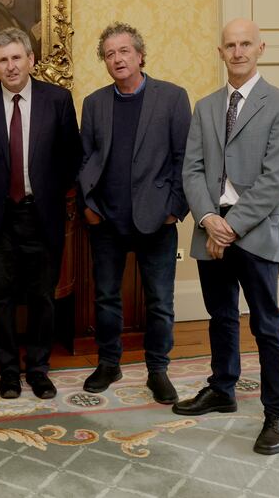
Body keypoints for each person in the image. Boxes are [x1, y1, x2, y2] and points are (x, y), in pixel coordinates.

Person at [176, 17, 279, 455]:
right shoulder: (206, 106)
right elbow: (191, 170)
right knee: (221, 315)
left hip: (255, 228)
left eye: (246, 44)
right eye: (230, 45)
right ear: (220, 52)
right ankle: (222, 388)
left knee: (267, 323)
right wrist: (209, 218)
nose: (238, 52)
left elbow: (277, 176)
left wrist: (229, 227)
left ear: (260, 48)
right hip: (211, 226)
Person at [0, 28, 82, 399]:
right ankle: (9, 371)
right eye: (2, 60)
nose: (10, 66)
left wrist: (48, 191)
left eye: (16, 57)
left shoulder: (57, 100)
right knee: (0, 300)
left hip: (42, 216)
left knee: (42, 297)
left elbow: (71, 156)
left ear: (30, 60)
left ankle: (39, 369)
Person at [77, 23, 191, 403]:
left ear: (140, 55)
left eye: (124, 51)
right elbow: (85, 159)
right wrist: (89, 207)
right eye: (109, 54)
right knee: (106, 298)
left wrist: (174, 210)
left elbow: (184, 159)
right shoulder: (94, 104)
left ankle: (157, 370)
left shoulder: (172, 98)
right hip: (106, 221)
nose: (117, 59)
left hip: (156, 221)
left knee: (160, 302)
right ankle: (109, 363)